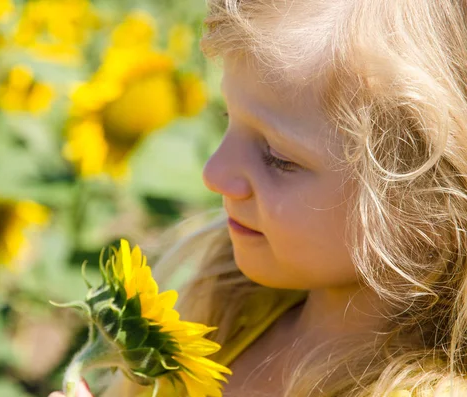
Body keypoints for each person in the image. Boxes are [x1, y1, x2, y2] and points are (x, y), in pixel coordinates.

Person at [50, 0, 467, 395]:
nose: (214, 174)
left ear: (433, 211)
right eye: (227, 119)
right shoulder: (226, 308)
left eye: (278, 158)